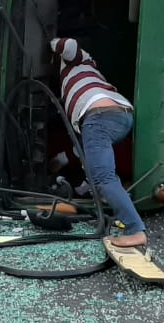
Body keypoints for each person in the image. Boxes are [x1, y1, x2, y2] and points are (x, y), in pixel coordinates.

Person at [50, 36, 146, 249]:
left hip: (99, 115)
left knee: (104, 177)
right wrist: (64, 163)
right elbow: (84, 151)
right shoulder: (79, 78)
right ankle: (119, 200)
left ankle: (135, 229)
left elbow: (68, 45)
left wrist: (48, 42)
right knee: (98, 171)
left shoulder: (79, 61)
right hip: (118, 115)